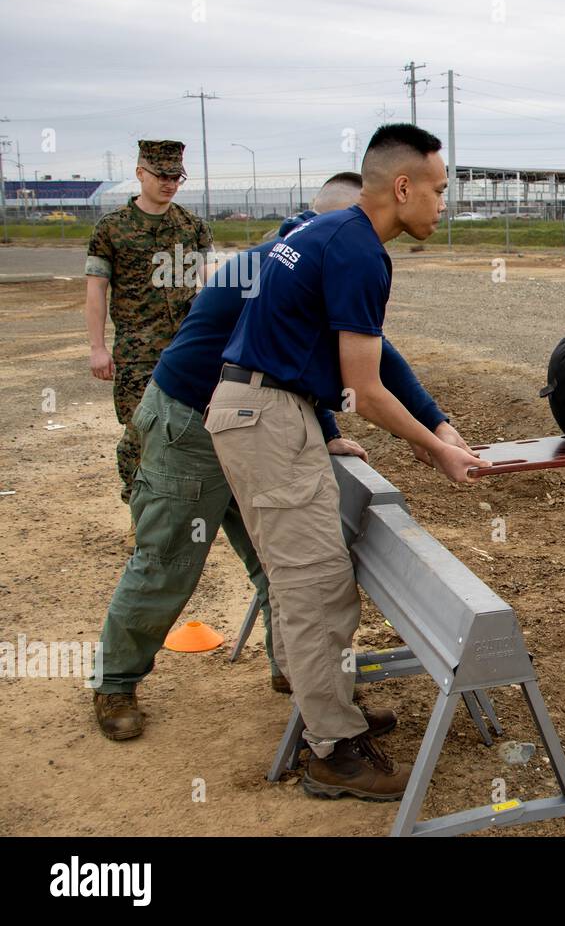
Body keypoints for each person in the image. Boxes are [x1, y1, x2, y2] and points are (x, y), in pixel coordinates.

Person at [91, 175, 462, 740]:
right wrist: (422, 435)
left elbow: (337, 354)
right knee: (168, 563)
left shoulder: (302, 254)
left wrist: (416, 422)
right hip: (191, 423)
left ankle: (299, 675)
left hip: (250, 424)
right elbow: (274, 361)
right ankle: (115, 683)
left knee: (282, 564)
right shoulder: (277, 264)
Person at [206, 124, 487, 801]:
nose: (443, 205)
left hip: (266, 408)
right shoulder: (361, 252)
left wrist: (321, 424)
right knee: (315, 588)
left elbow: (296, 340)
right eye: (440, 190)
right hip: (266, 418)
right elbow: (365, 387)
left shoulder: (320, 233)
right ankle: (333, 749)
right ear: (402, 187)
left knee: (309, 580)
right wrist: (439, 448)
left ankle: (331, 711)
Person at [86, 140, 214, 506]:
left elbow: (213, 282)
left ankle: (178, 509)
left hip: (186, 351)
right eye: (162, 175)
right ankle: (139, 511)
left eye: (176, 177)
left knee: (188, 431)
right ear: (141, 173)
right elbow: (96, 292)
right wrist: (97, 348)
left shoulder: (192, 227)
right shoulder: (112, 230)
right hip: (137, 355)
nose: (169, 183)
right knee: (141, 433)